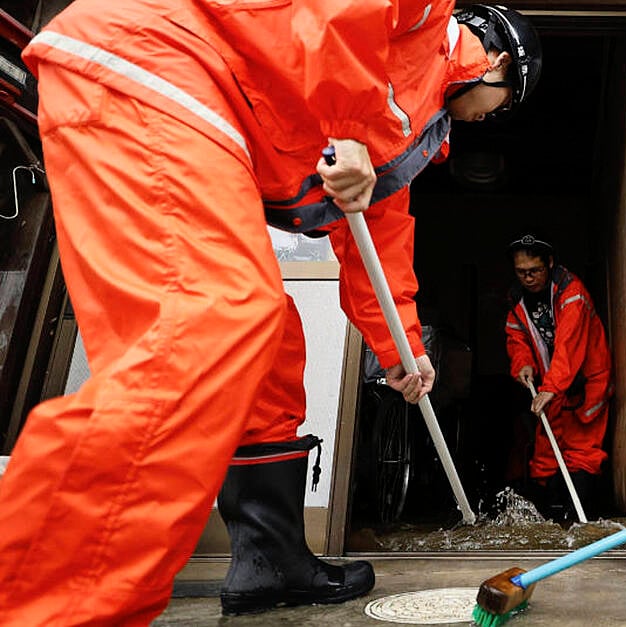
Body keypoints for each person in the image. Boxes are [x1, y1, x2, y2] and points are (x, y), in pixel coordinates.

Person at [0, 1, 539, 623]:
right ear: (497, 63)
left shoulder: (415, 130)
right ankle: (49, 601)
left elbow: (379, 245)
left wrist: (401, 351)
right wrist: (348, 125)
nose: (488, 119)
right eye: (502, 105)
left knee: (269, 340)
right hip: (160, 63)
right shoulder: (425, 22)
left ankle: (269, 558)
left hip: (201, 109)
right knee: (212, 320)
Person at [505, 235, 612, 521]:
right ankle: (550, 521)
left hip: (585, 382)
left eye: (534, 271)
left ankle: (576, 521)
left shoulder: (571, 293)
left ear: (550, 264)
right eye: (521, 272)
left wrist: (550, 387)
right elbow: (516, 337)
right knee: (545, 454)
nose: (528, 278)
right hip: (554, 384)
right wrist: (523, 364)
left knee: (581, 451)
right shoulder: (517, 300)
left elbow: (568, 346)